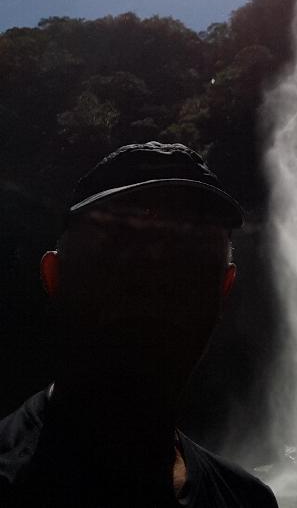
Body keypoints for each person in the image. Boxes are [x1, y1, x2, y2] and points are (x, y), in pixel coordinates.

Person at [0, 141, 278, 507]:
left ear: (223, 289)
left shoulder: (248, 500)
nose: (157, 288)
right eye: (121, 255)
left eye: (190, 261)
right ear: (55, 277)